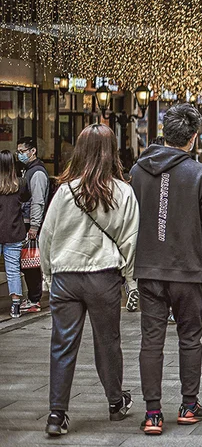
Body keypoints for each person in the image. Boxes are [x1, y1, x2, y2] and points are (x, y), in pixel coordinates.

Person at [40, 124, 139, 436]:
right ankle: (115, 402)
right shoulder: (123, 192)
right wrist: (130, 281)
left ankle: (57, 415)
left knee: (62, 345)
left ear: (79, 152)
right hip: (103, 278)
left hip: (66, 277)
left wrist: (47, 275)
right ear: (113, 153)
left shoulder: (63, 192)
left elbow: (46, 237)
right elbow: (131, 242)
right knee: (107, 342)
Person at [130, 103, 202, 435]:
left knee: (151, 340)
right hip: (188, 270)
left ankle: (152, 412)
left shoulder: (138, 171)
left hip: (149, 270)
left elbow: (130, 221)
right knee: (190, 337)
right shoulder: (201, 174)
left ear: (163, 134)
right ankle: (188, 404)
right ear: (194, 138)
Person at [16, 136, 49, 314]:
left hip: (31, 224)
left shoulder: (36, 173)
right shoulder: (28, 170)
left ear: (32, 151)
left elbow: (38, 201)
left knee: (31, 262)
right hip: (28, 222)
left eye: (22, 151)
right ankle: (33, 298)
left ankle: (35, 299)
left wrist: (34, 226)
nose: (19, 155)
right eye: (18, 152)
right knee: (29, 262)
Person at [0, 150, 29, 318]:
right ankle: (16, 305)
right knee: (13, 270)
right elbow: (26, 200)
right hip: (14, 231)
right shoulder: (21, 183)